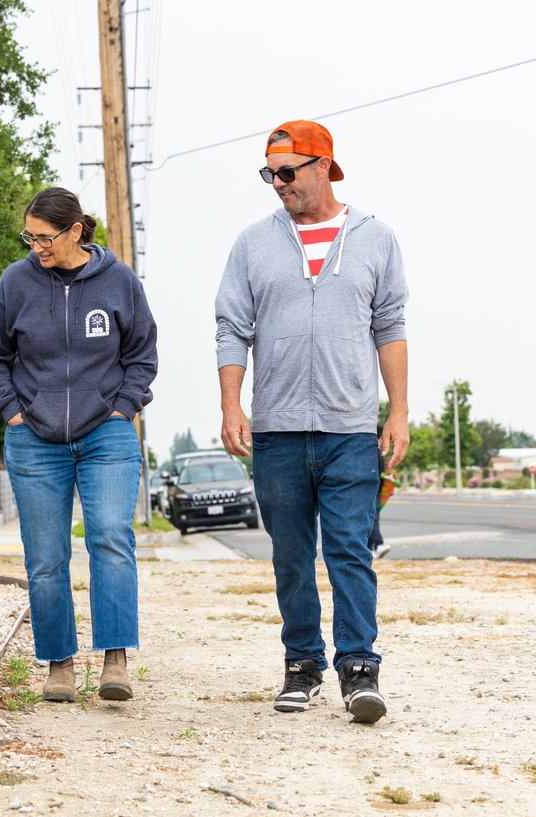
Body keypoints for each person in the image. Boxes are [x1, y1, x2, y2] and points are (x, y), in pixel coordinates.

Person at [214, 121, 409, 724]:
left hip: (351, 430)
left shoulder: (375, 238)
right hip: (276, 431)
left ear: (324, 165)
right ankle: (302, 664)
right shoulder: (252, 243)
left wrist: (398, 411)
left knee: (350, 550)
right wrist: (231, 405)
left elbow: (391, 327)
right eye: (269, 173)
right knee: (291, 555)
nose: (277, 183)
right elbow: (232, 328)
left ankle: (359, 669)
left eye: (288, 171)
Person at [0, 187, 157, 702]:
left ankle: (115, 660)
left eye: (44, 237)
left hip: (108, 433)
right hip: (34, 437)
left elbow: (143, 353)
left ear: (75, 232)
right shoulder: (16, 282)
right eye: (29, 237)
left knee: (109, 538)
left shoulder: (120, 282)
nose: (36, 246)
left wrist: (125, 405)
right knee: (45, 557)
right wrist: (12, 411)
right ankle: (58, 665)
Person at [368, 425, 392, 560]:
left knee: (370, 519)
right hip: (375, 490)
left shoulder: (373, 452)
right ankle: (377, 544)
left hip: (373, 490)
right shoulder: (377, 452)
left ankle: (372, 546)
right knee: (373, 519)